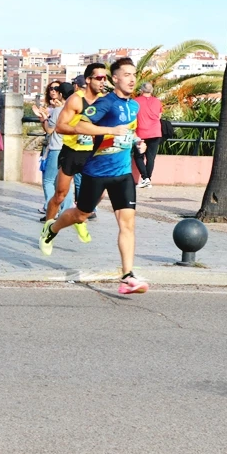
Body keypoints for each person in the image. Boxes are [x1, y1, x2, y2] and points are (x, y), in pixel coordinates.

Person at [39, 58, 149, 295]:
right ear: (115, 79)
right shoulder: (105, 104)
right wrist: (109, 130)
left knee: (128, 224)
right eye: (126, 74)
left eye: (134, 74)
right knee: (80, 215)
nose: (131, 79)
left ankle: (127, 276)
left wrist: (138, 142)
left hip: (122, 173)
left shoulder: (134, 106)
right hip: (96, 172)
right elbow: (80, 125)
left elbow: (127, 132)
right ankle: (52, 229)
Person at [46, 63, 111, 238]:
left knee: (100, 194)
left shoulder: (105, 101)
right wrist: (80, 129)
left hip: (93, 155)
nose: (102, 81)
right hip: (73, 152)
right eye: (99, 78)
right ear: (88, 80)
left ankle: (79, 218)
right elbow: (59, 127)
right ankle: (48, 229)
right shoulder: (76, 99)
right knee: (60, 195)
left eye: (105, 78)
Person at [40, 82, 76, 215]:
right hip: (70, 148)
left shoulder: (58, 111)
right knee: (65, 183)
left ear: (61, 94)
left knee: (49, 180)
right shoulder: (75, 110)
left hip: (56, 148)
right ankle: (66, 211)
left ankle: (51, 210)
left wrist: (43, 119)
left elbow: (50, 130)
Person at [134, 82, 163, 188]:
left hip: (141, 132)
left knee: (138, 156)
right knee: (151, 158)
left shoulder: (136, 101)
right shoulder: (157, 101)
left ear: (141, 90)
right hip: (155, 132)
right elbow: (159, 116)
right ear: (151, 91)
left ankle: (145, 178)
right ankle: (148, 179)